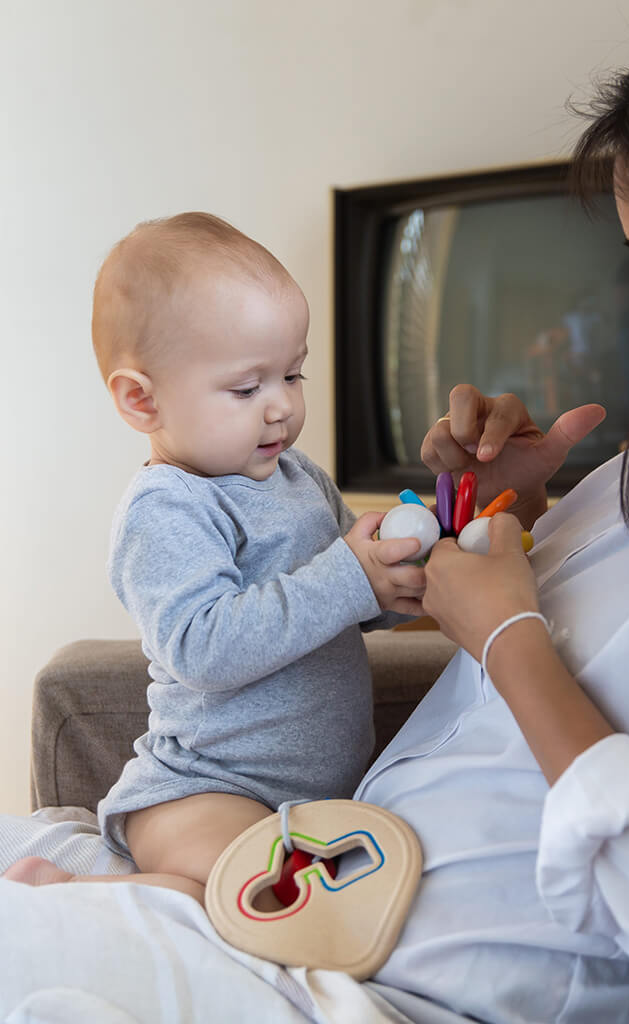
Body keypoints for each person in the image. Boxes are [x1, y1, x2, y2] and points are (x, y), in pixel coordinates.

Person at [0, 3, 629, 1023]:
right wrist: (502, 507)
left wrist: (508, 634)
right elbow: (513, 605)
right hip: (320, 898)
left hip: (388, 975)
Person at [2, 212, 426, 905]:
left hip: (316, 793)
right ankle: (64, 893)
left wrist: (393, 581)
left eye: (293, 374)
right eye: (245, 388)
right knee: (245, 892)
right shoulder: (167, 508)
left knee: (325, 888)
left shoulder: (299, 476)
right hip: (205, 787)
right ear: (142, 400)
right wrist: (350, 577)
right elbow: (203, 648)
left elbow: (345, 603)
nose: (281, 408)